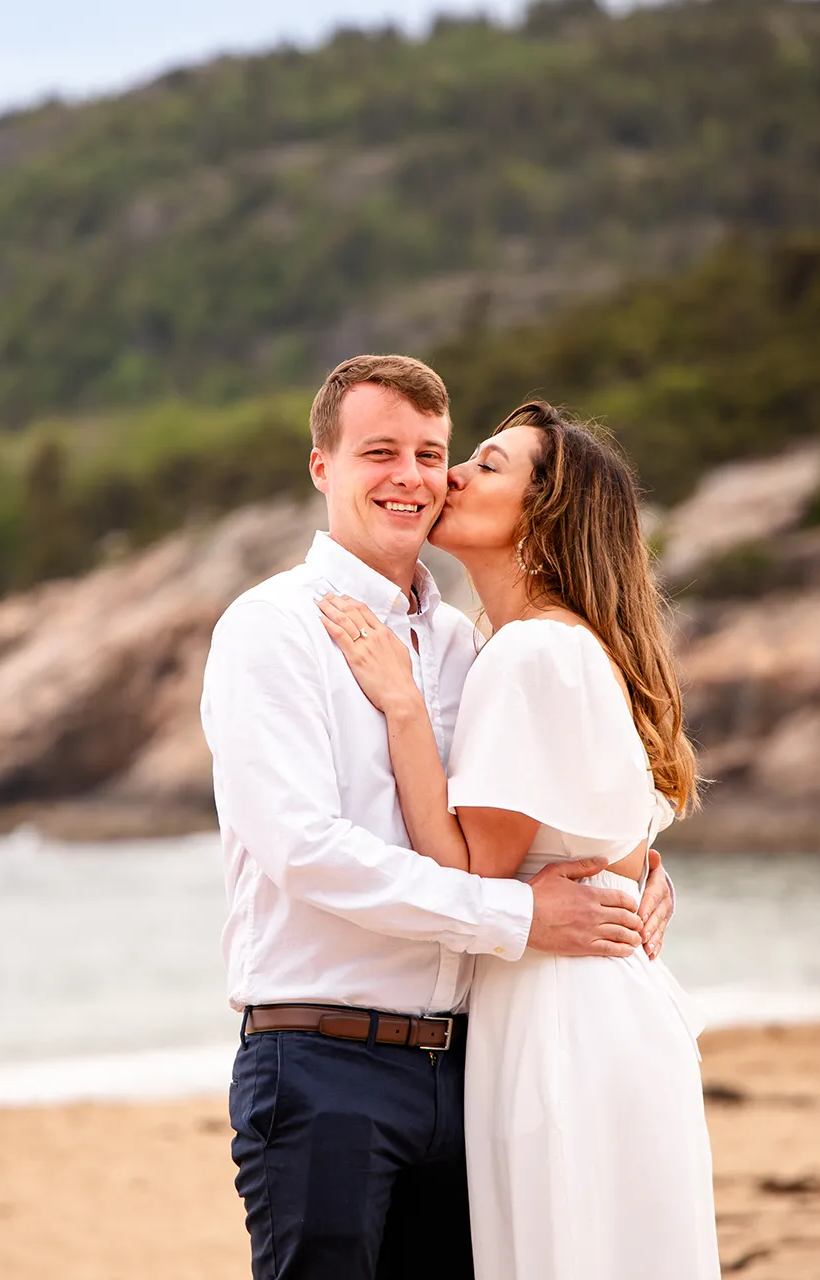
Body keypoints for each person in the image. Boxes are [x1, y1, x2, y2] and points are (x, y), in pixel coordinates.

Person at [200, 356, 677, 1280]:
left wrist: (636, 875)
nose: (412, 476)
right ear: (321, 467)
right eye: (379, 452)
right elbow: (308, 852)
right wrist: (523, 917)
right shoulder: (272, 629)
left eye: (431, 452)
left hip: (472, 1072)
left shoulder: (470, 644)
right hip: (323, 1064)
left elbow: (541, 807)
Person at [313, 399, 720, 1279]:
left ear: (546, 512)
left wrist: (406, 708)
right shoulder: (565, 645)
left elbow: (470, 873)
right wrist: (644, 876)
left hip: (561, 1025)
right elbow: (615, 845)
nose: (453, 474)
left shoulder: (528, 653)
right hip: (607, 1008)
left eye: (487, 466)